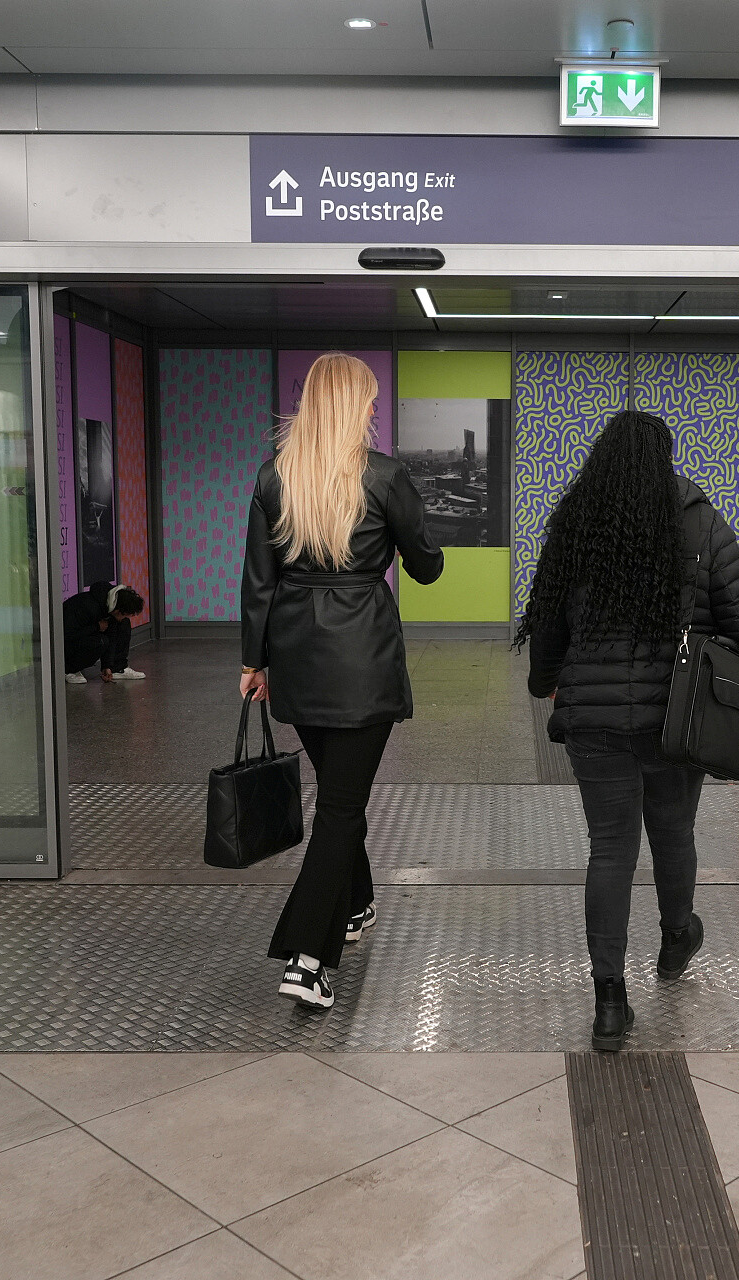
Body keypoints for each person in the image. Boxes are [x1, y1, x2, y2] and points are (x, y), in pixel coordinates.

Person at [517, 410, 739, 1052]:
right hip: (674, 716)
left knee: (609, 849)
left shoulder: (575, 523)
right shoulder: (699, 521)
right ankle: (674, 938)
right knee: (672, 832)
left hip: (594, 720)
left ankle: (609, 1002)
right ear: (664, 458)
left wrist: (543, 677)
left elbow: (548, 619)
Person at [242, 352, 443, 1009]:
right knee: (339, 808)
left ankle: (354, 905)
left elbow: (258, 584)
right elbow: (426, 568)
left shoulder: (276, 478)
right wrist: (423, 544)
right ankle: (309, 958)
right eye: (369, 402)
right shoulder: (385, 478)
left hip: (297, 659)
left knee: (336, 794)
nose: (373, 412)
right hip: (362, 663)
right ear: (349, 405)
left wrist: (254, 663)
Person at [63, 582, 146, 684]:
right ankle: (69, 669)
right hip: (65, 643)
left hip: (84, 633)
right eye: (125, 615)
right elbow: (67, 635)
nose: (125, 618)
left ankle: (117, 668)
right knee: (100, 642)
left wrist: (107, 666)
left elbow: (112, 635)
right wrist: (96, 627)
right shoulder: (87, 606)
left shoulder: (110, 607)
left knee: (123, 624)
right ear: (118, 611)